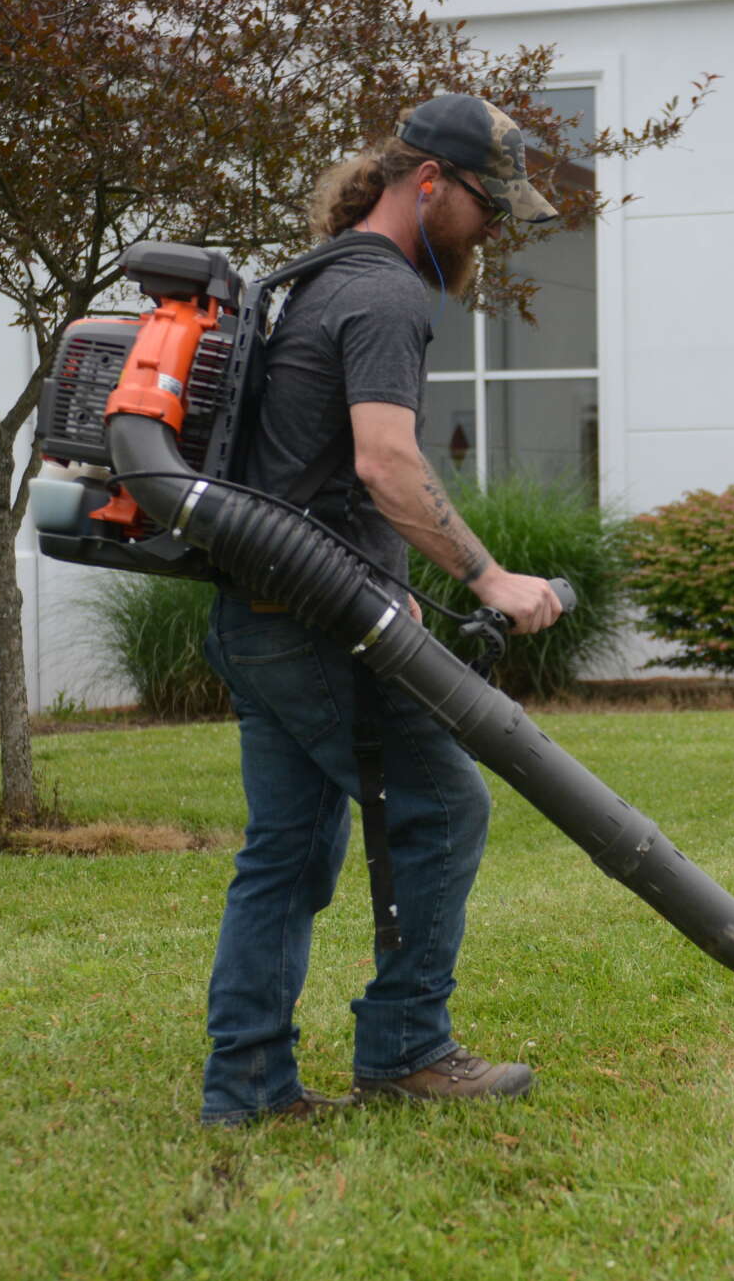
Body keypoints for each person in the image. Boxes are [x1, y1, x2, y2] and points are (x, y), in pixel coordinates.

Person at [196, 93, 568, 1126]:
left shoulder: (307, 282)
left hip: (259, 612)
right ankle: (406, 1047)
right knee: (445, 807)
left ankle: (249, 1086)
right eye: (488, 206)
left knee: (289, 847)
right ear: (430, 183)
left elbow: (306, 472)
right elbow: (385, 462)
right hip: (315, 629)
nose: (493, 228)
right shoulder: (389, 295)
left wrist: (379, 567)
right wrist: (488, 577)